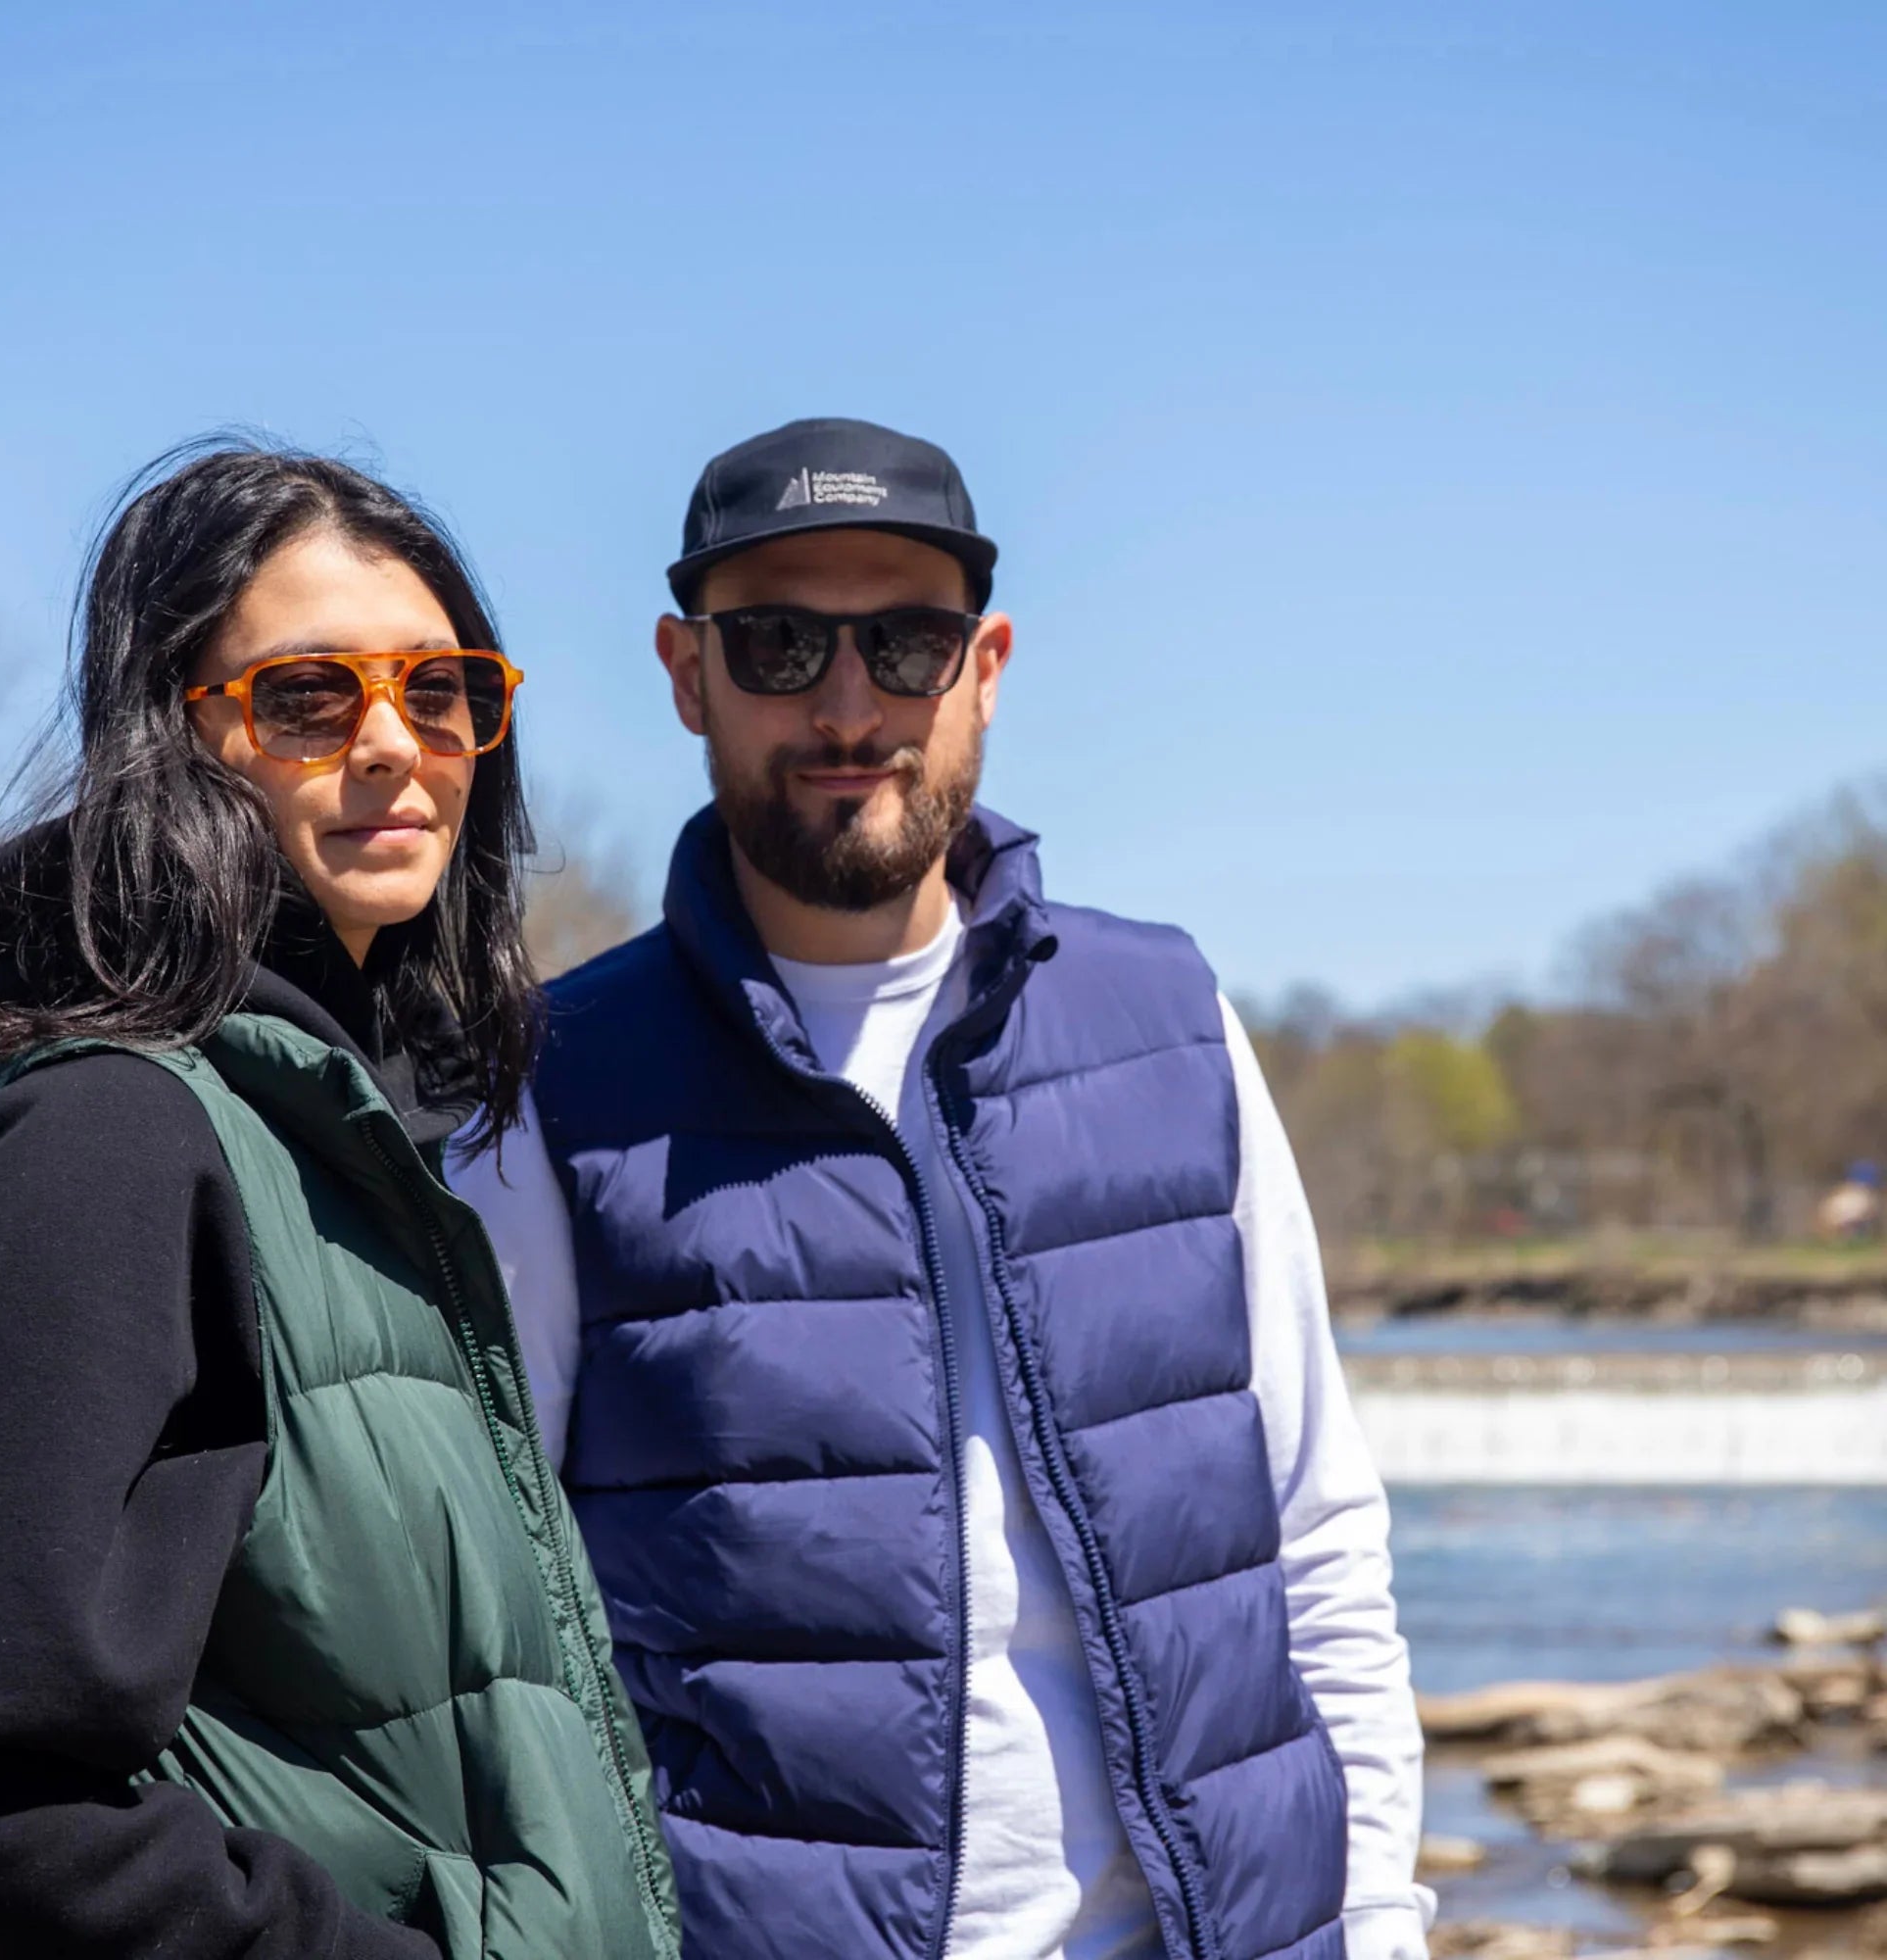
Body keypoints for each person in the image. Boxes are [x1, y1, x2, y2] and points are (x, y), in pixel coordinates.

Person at [454, 417, 1431, 1960]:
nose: (849, 705)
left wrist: (1374, 1925)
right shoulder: (556, 1087)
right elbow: (506, 1641)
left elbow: (1314, 1540)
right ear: (685, 670)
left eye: (906, 642)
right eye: (778, 644)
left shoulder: (1170, 1026)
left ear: (984, 666)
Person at [0, 445, 679, 1958]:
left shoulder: (353, 1134)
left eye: (444, 689)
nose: (395, 745)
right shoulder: (106, 1136)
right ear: (174, 737)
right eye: (308, 697)